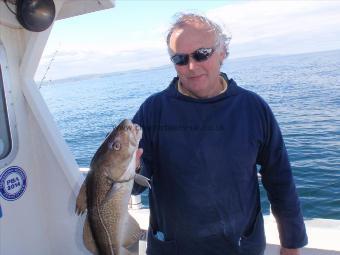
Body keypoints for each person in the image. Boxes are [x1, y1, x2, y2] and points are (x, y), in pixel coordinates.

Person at [132, 13, 307, 255]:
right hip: (172, 248)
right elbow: (134, 186)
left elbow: (280, 181)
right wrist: (130, 169)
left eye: (201, 54)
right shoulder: (153, 111)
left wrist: (291, 244)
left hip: (240, 246)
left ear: (223, 52)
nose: (191, 66)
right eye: (180, 59)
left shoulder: (253, 108)